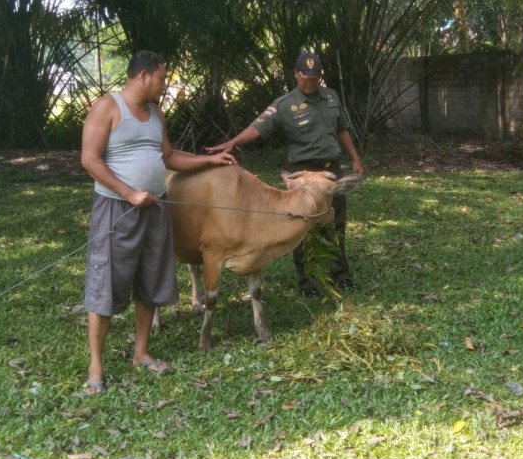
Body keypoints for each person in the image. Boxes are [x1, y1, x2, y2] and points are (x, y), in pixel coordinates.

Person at [80, 50, 237, 394]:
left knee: (150, 279)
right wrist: (129, 192)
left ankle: (141, 352)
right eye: (163, 78)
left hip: (155, 207)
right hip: (117, 210)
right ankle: (96, 367)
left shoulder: (155, 114)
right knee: (106, 282)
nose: (165, 86)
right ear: (143, 76)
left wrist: (210, 163)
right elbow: (90, 160)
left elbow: (168, 157)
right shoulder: (107, 108)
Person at [207, 52, 364, 296]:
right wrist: (232, 143)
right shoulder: (285, 104)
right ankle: (308, 283)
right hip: (304, 174)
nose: (309, 82)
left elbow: (342, 129)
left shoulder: (331, 97)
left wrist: (355, 158)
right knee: (301, 227)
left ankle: (340, 274)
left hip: (331, 171)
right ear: (295, 74)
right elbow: (257, 127)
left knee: (335, 224)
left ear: (320, 76)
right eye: (305, 77)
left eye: (314, 78)